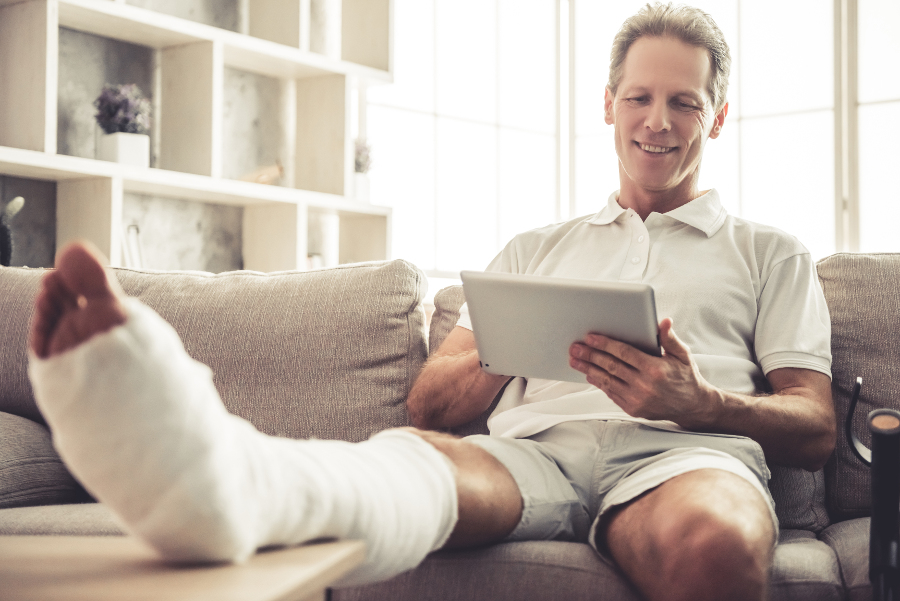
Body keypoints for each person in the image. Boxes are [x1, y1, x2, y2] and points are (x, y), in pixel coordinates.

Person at [27, 4, 834, 601]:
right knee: (409, 465)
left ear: (717, 116)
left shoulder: (771, 251)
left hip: (684, 458)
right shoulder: (534, 249)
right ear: (608, 105)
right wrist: (513, 346)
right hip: (534, 456)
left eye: (684, 103)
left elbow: (817, 426)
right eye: (638, 98)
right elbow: (428, 403)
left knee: (719, 545)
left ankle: (215, 481)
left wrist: (701, 403)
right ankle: (229, 486)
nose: (656, 122)